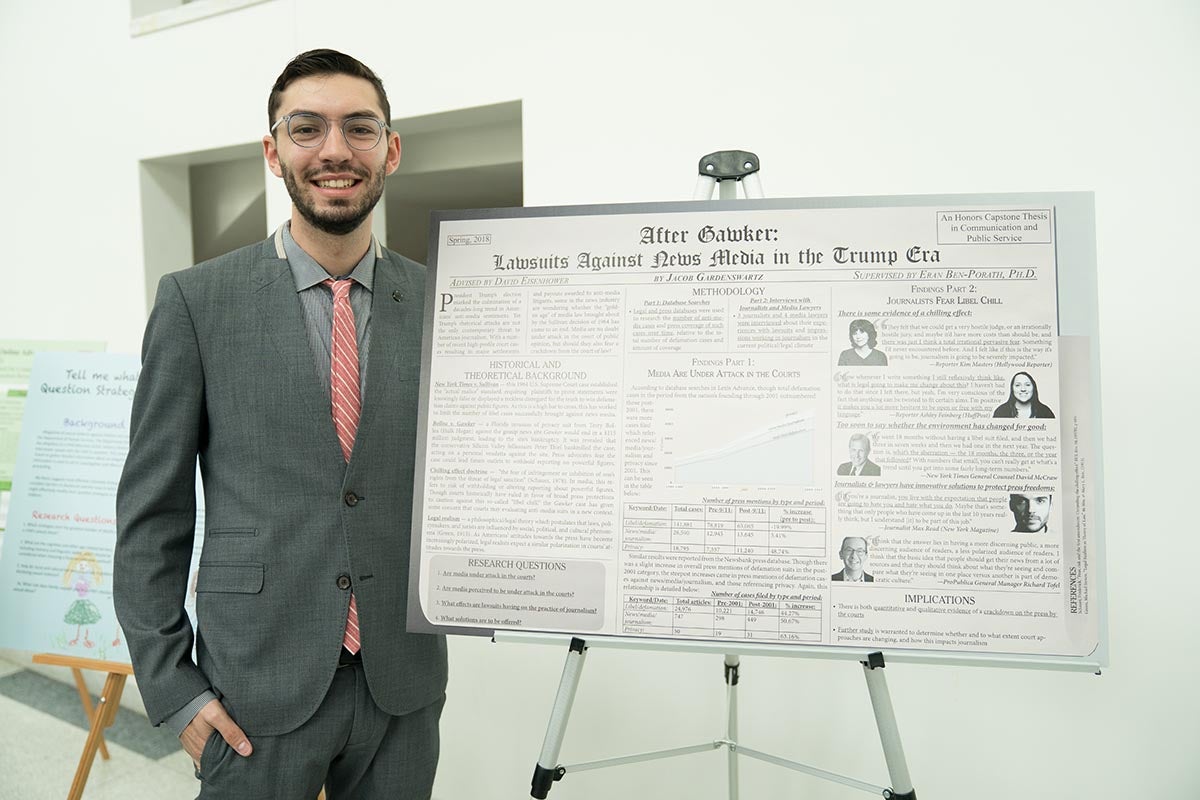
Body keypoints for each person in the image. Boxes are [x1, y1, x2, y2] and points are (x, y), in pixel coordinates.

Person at [114, 49, 447, 798]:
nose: (335, 150)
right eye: (308, 128)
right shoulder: (197, 303)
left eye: (360, 128)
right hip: (252, 689)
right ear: (274, 152)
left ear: (390, 150)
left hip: (403, 685)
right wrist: (174, 689)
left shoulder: (440, 303)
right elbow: (150, 516)